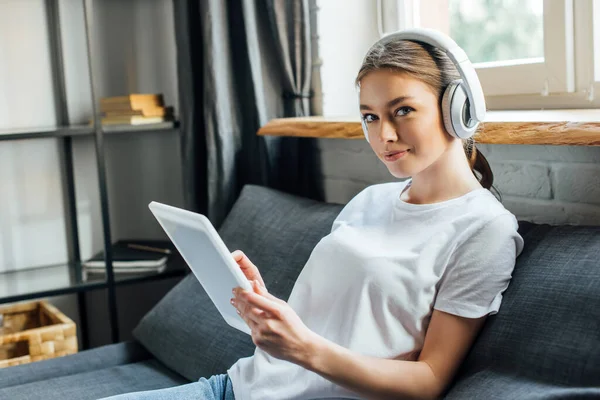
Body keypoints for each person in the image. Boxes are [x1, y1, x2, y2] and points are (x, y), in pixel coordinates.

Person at [102, 28, 524, 400]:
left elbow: (429, 380)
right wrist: (269, 309)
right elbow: (340, 320)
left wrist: (302, 347)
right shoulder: (370, 200)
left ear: (458, 108)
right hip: (237, 388)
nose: (384, 136)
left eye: (403, 111)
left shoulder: (485, 230)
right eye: (370, 117)